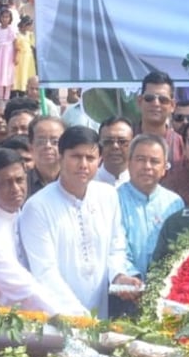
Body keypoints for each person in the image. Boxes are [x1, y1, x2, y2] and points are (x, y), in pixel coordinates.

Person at [18, 126, 137, 319]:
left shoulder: (107, 196)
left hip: (100, 316)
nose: (83, 164)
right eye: (76, 156)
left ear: (99, 161)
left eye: (90, 158)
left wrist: (119, 276)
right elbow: (44, 271)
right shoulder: (37, 207)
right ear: (60, 156)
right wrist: (78, 315)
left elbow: (116, 247)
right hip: (55, 317)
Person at [0, 148, 85, 313]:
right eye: (5, 183)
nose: (15, 188)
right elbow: (26, 290)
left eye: (19, 180)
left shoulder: (12, 210)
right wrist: (76, 321)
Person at [115, 134, 184, 317]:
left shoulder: (175, 203)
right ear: (129, 163)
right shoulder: (113, 200)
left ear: (164, 168)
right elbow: (114, 248)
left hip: (165, 299)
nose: (147, 167)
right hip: (124, 294)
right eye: (140, 159)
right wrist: (130, 278)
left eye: (154, 161)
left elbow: (179, 249)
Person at [27, 115, 66, 195]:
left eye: (55, 141)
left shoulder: (75, 181)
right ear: (31, 148)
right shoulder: (22, 182)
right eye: (41, 142)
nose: (48, 146)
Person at [96, 117, 134, 187]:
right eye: (108, 142)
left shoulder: (141, 183)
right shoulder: (87, 182)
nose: (115, 146)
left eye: (122, 142)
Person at [0, 8, 18, 102]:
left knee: (7, 74)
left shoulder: (11, 29)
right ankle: (0, 97)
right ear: (0, 18)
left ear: (10, 18)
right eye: (3, 17)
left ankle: (7, 97)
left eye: (7, 17)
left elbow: (15, 43)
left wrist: (15, 56)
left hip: (8, 54)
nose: (5, 19)